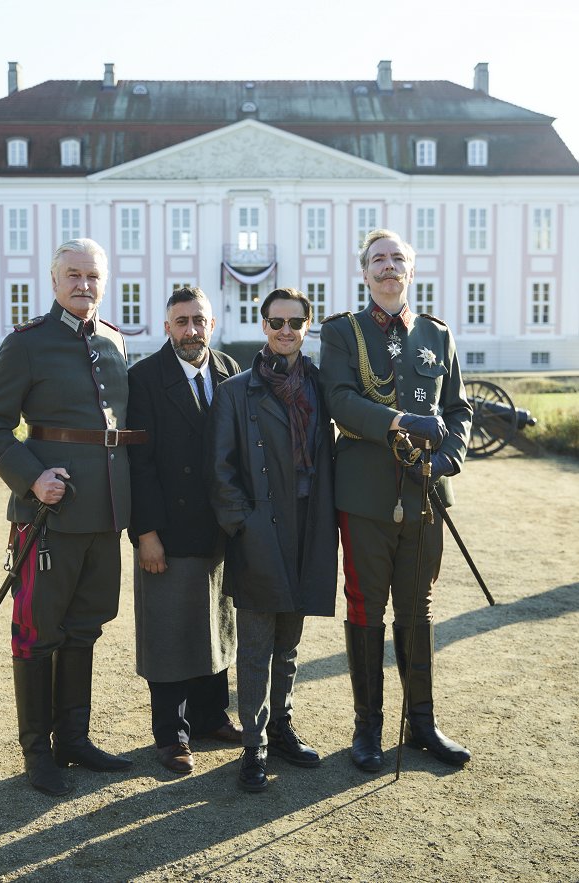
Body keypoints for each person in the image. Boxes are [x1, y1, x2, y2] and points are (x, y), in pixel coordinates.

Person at [0, 238, 137, 796]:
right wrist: (31, 477)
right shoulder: (26, 344)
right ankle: (37, 754)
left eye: (93, 276)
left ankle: (74, 740)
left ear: (104, 281)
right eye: (73, 275)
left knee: (84, 629)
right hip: (48, 514)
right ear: (53, 280)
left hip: (104, 514)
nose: (83, 285)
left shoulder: (116, 341)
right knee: (38, 633)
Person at [319, 228, 473, 773]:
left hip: (427, 492)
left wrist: (448, 458)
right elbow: (338, 399)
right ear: (364, 273)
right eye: (378, 260)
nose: (388, 268)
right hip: (365, 494)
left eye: (397, 259)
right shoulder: (343, 332)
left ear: (411, 270)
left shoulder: (436, 334)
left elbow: (457, 409)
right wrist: (400, 421)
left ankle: (423, 723)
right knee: (365, 607)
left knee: (419, 607)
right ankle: (368, 728)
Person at [207, 287, 337, 792]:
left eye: (295, 322)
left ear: (307, 327)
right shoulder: (238, 390)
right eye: (276, 322)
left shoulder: (322, 386)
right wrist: (243, 524)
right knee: (257, 646)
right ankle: (253, 746)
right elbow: (221, 469)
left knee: (289, 643)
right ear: (263, 326)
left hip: (309, 524)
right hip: (261, 528)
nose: (286, 331)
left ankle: (281, 728)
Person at [126, 287, 242, 774]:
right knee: (169, 632)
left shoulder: (229, 372)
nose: (191, 330)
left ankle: (212, 717)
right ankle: (171, 736)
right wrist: (144, 532)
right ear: (167, 326)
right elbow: (138, 464)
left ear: (212, 325)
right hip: (168, 530)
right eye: (181, 321)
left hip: (221, 528)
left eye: (199, 320)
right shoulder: (145, 378)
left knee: (217, 624)